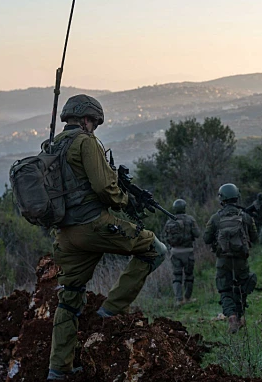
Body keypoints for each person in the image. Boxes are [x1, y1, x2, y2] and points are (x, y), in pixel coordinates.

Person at [47, 94, 168, 380]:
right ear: (88, 119)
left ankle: (58, 370)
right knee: (155, 250)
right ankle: (110, 312)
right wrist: (127, 202)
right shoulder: (85, 143)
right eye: (95, 123)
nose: (95, 128)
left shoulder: (53, 146)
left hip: (65, 235)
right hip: (94, 226)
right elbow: (104, 188)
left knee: (70, 298)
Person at [203, 183, 258, 333]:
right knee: (242, 287)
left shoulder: (215, 218)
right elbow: (255, 237)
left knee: (225, 289)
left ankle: (232, 317)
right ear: (236, 197)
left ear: (222, 199)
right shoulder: (246, 217)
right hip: (241, 260)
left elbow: (206, 238)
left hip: (223, 260)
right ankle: (240, 317)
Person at [161, 198, 201, 305]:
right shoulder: (190, 219)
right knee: (189, 276)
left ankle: (178, 299)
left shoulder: (170, 221)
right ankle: (187, 298)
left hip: (175, 252)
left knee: (176, 276)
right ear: (184, 208)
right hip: (188, 252)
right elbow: (197, 234)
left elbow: (165, 237)